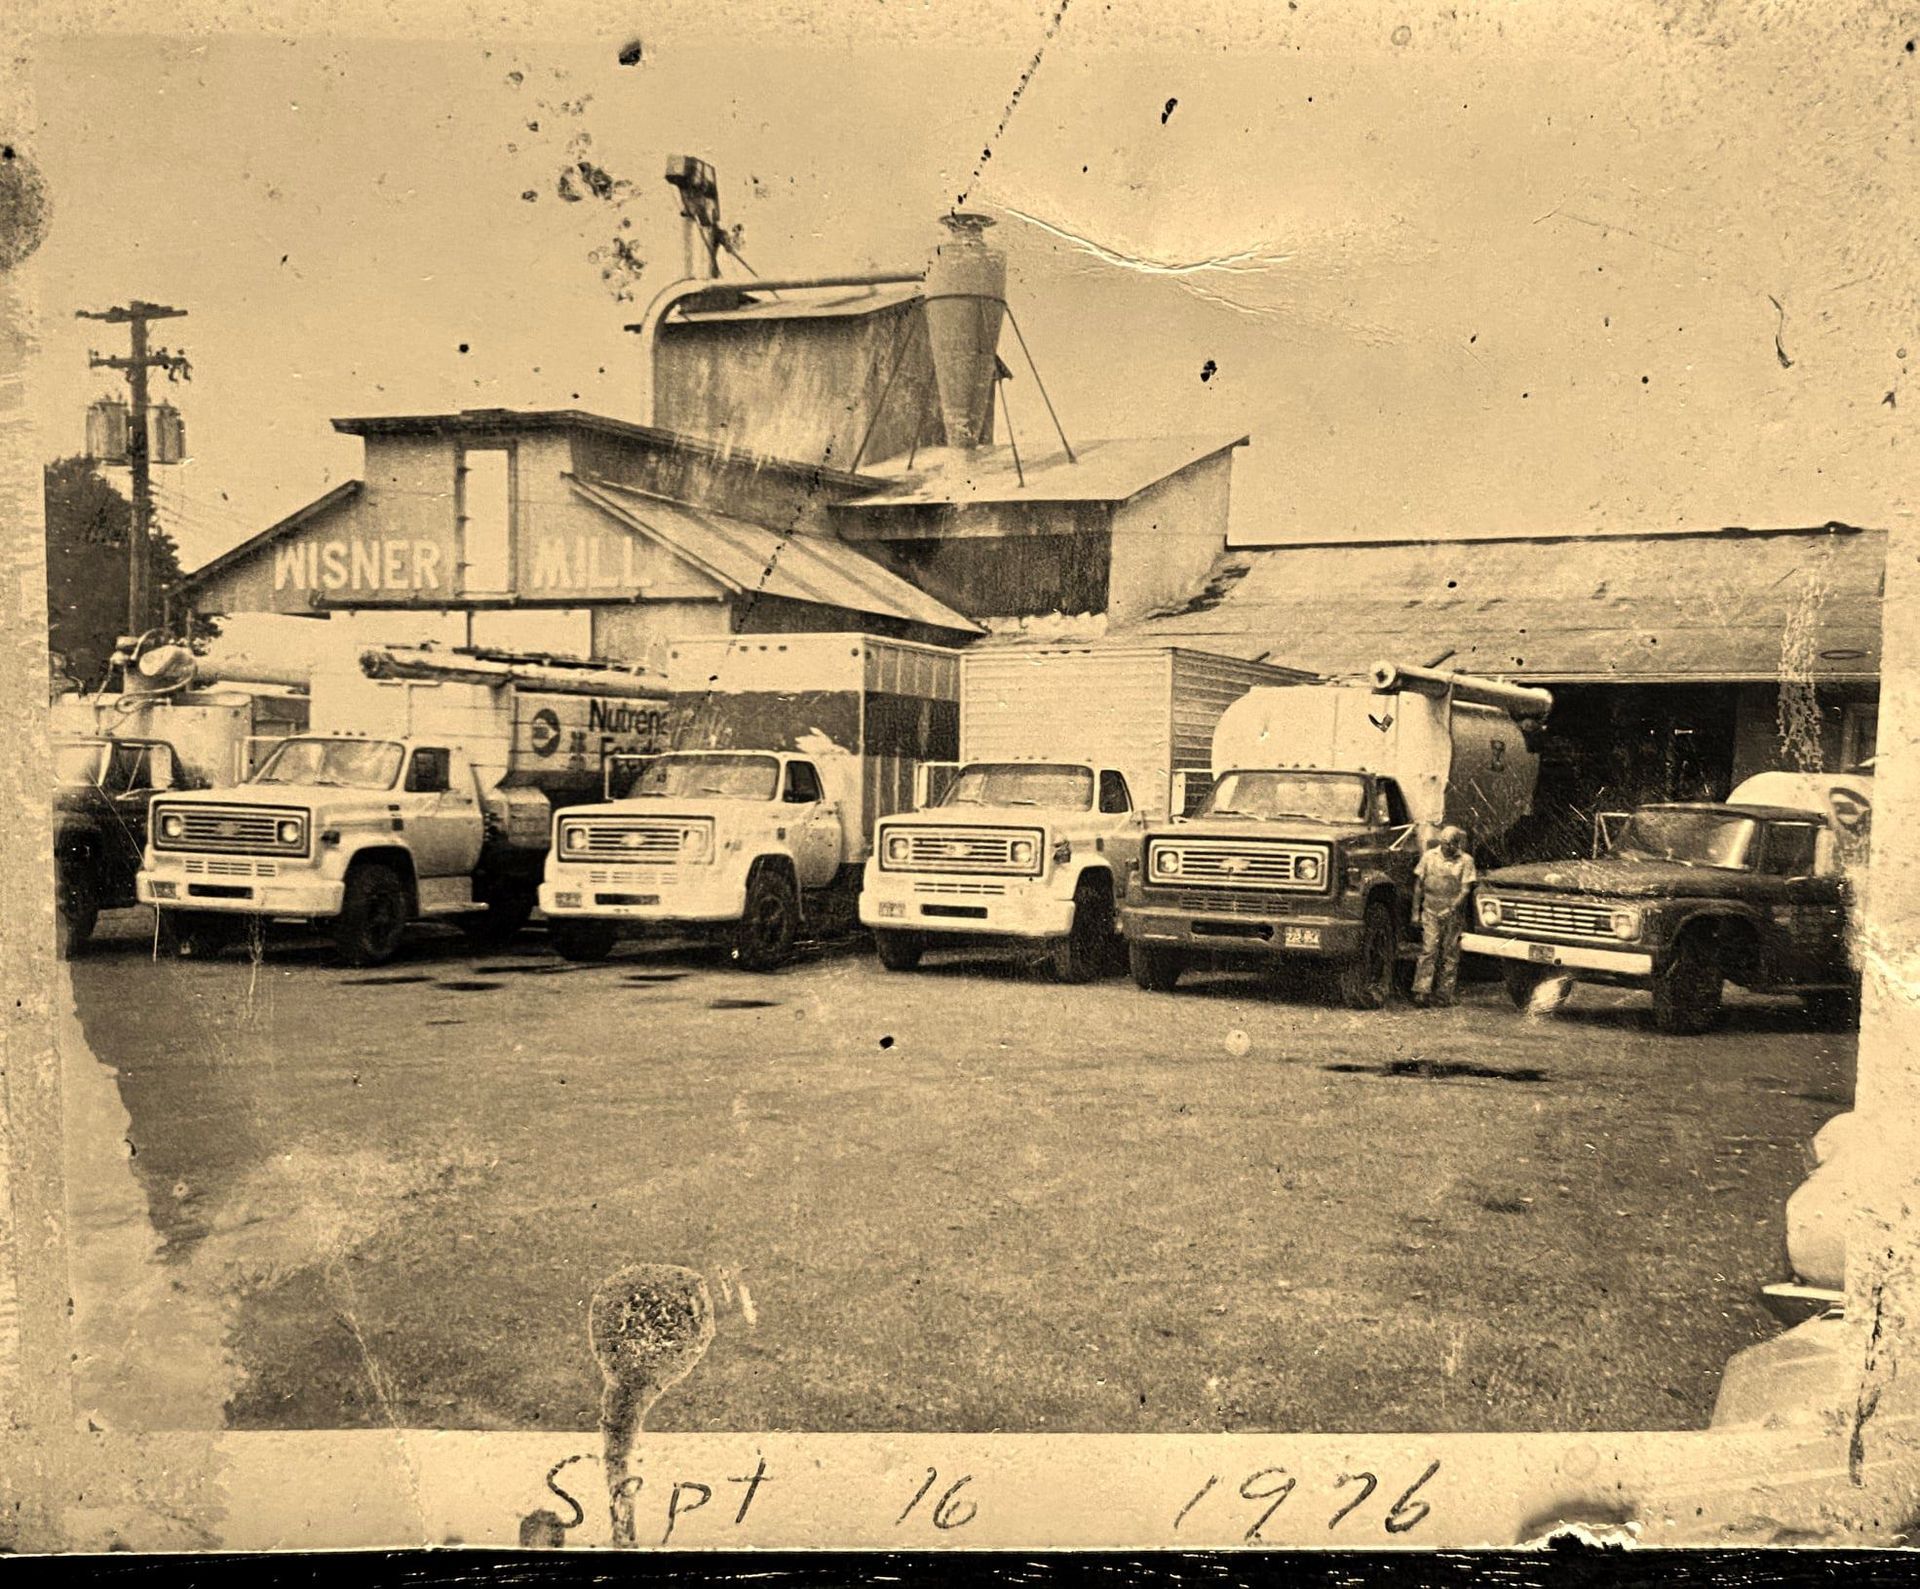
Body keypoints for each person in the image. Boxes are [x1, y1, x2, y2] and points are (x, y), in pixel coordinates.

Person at [1412, 825, 1476, 1007]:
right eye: (1443, 842)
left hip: (1452, 913)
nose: (1445, 847)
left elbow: (1465, 890)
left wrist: (1452, 908)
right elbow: (1418, 886)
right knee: (1429, 950)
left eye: (1449, 844)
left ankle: (1444, 994)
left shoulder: (1466, 861)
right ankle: (1421, 991)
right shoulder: (1429, 856)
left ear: (1456, 844)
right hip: (1431, 909)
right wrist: (1415, 912)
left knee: (1450, 953)